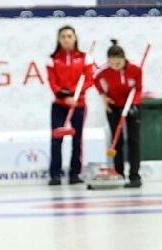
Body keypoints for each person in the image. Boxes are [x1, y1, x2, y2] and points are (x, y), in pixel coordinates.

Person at [46, 25, 94, 185]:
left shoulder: (85, 57)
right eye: (63, 36)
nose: (66, 39)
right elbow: (52, 83)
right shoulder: (52, 59)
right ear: (59, 40)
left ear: (75, 38)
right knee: (56, 140)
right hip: (59, 105)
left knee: (77, 140)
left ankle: (75, 174)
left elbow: (89, 80)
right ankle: (55, 175)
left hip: (79, 105)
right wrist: (65, 96)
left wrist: (76, 94)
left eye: (69, 36)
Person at [94, 40, 143, 188]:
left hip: (131, 106)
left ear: (124, 59)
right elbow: (95, 79)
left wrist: (134, 104)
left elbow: (139, 89)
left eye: (118, 64)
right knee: (117, 141)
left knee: (134, 140)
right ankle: (119, 173)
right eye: (112, 64)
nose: (115, 67)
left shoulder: (135, 70)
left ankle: (135, 176)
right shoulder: (104, 70)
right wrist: (103, 96)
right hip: (113, 107)